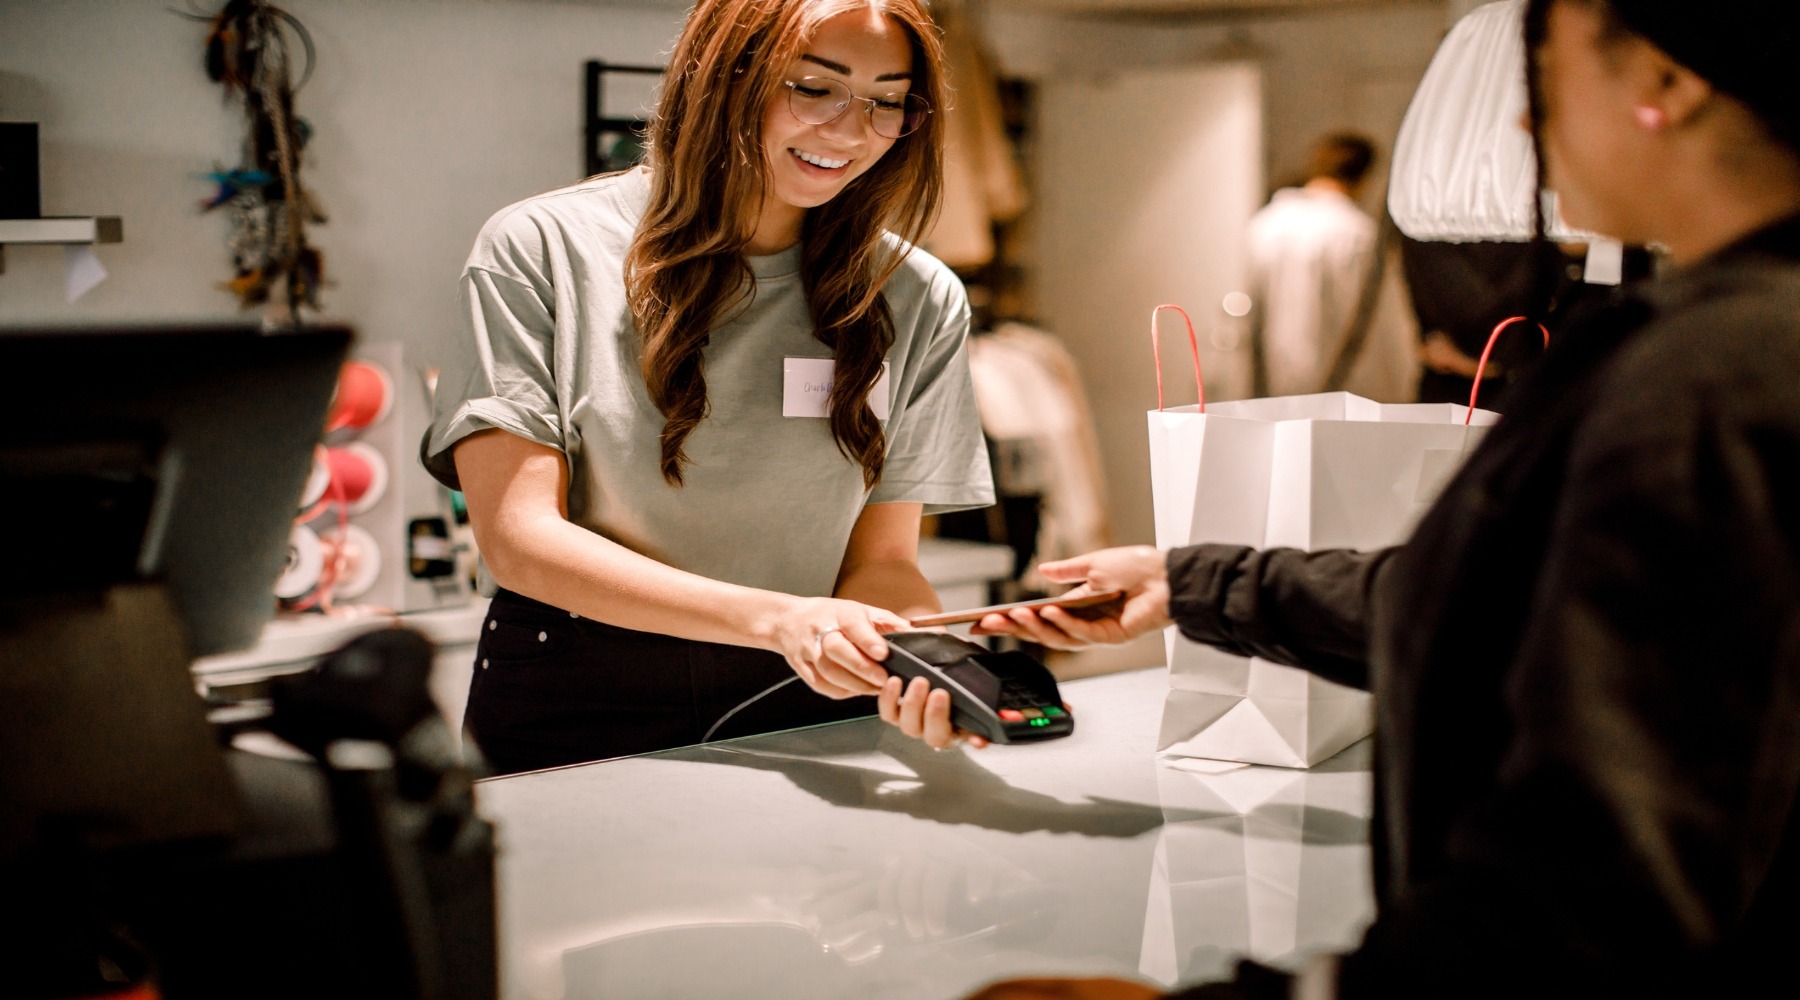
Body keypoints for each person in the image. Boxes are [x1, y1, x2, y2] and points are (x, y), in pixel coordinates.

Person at [967, 1, 1800, 997]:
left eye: (1542, 68)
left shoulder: (1714, 377)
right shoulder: (1719, 350)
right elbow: (1504, 607)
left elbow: (1592, 883)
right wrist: (1193, 579)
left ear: (1666, 81)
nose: (1528, 125)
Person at [421, 0, 994, 776]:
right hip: (578, 698)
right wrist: (777, 620)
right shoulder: (541, 250)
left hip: (809, 702)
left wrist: (915, 653)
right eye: (814, 87)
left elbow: (884, 561)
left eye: (887, 101)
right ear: (724, 77)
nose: (853, 131)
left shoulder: (916, 295)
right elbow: (519, 541)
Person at [1245, 133, 1416, 401]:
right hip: (1345, 387)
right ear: (1364, 177)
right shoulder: (1353, 234)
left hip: (1275, 379)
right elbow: (1380, 323)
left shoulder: (1265, 224)